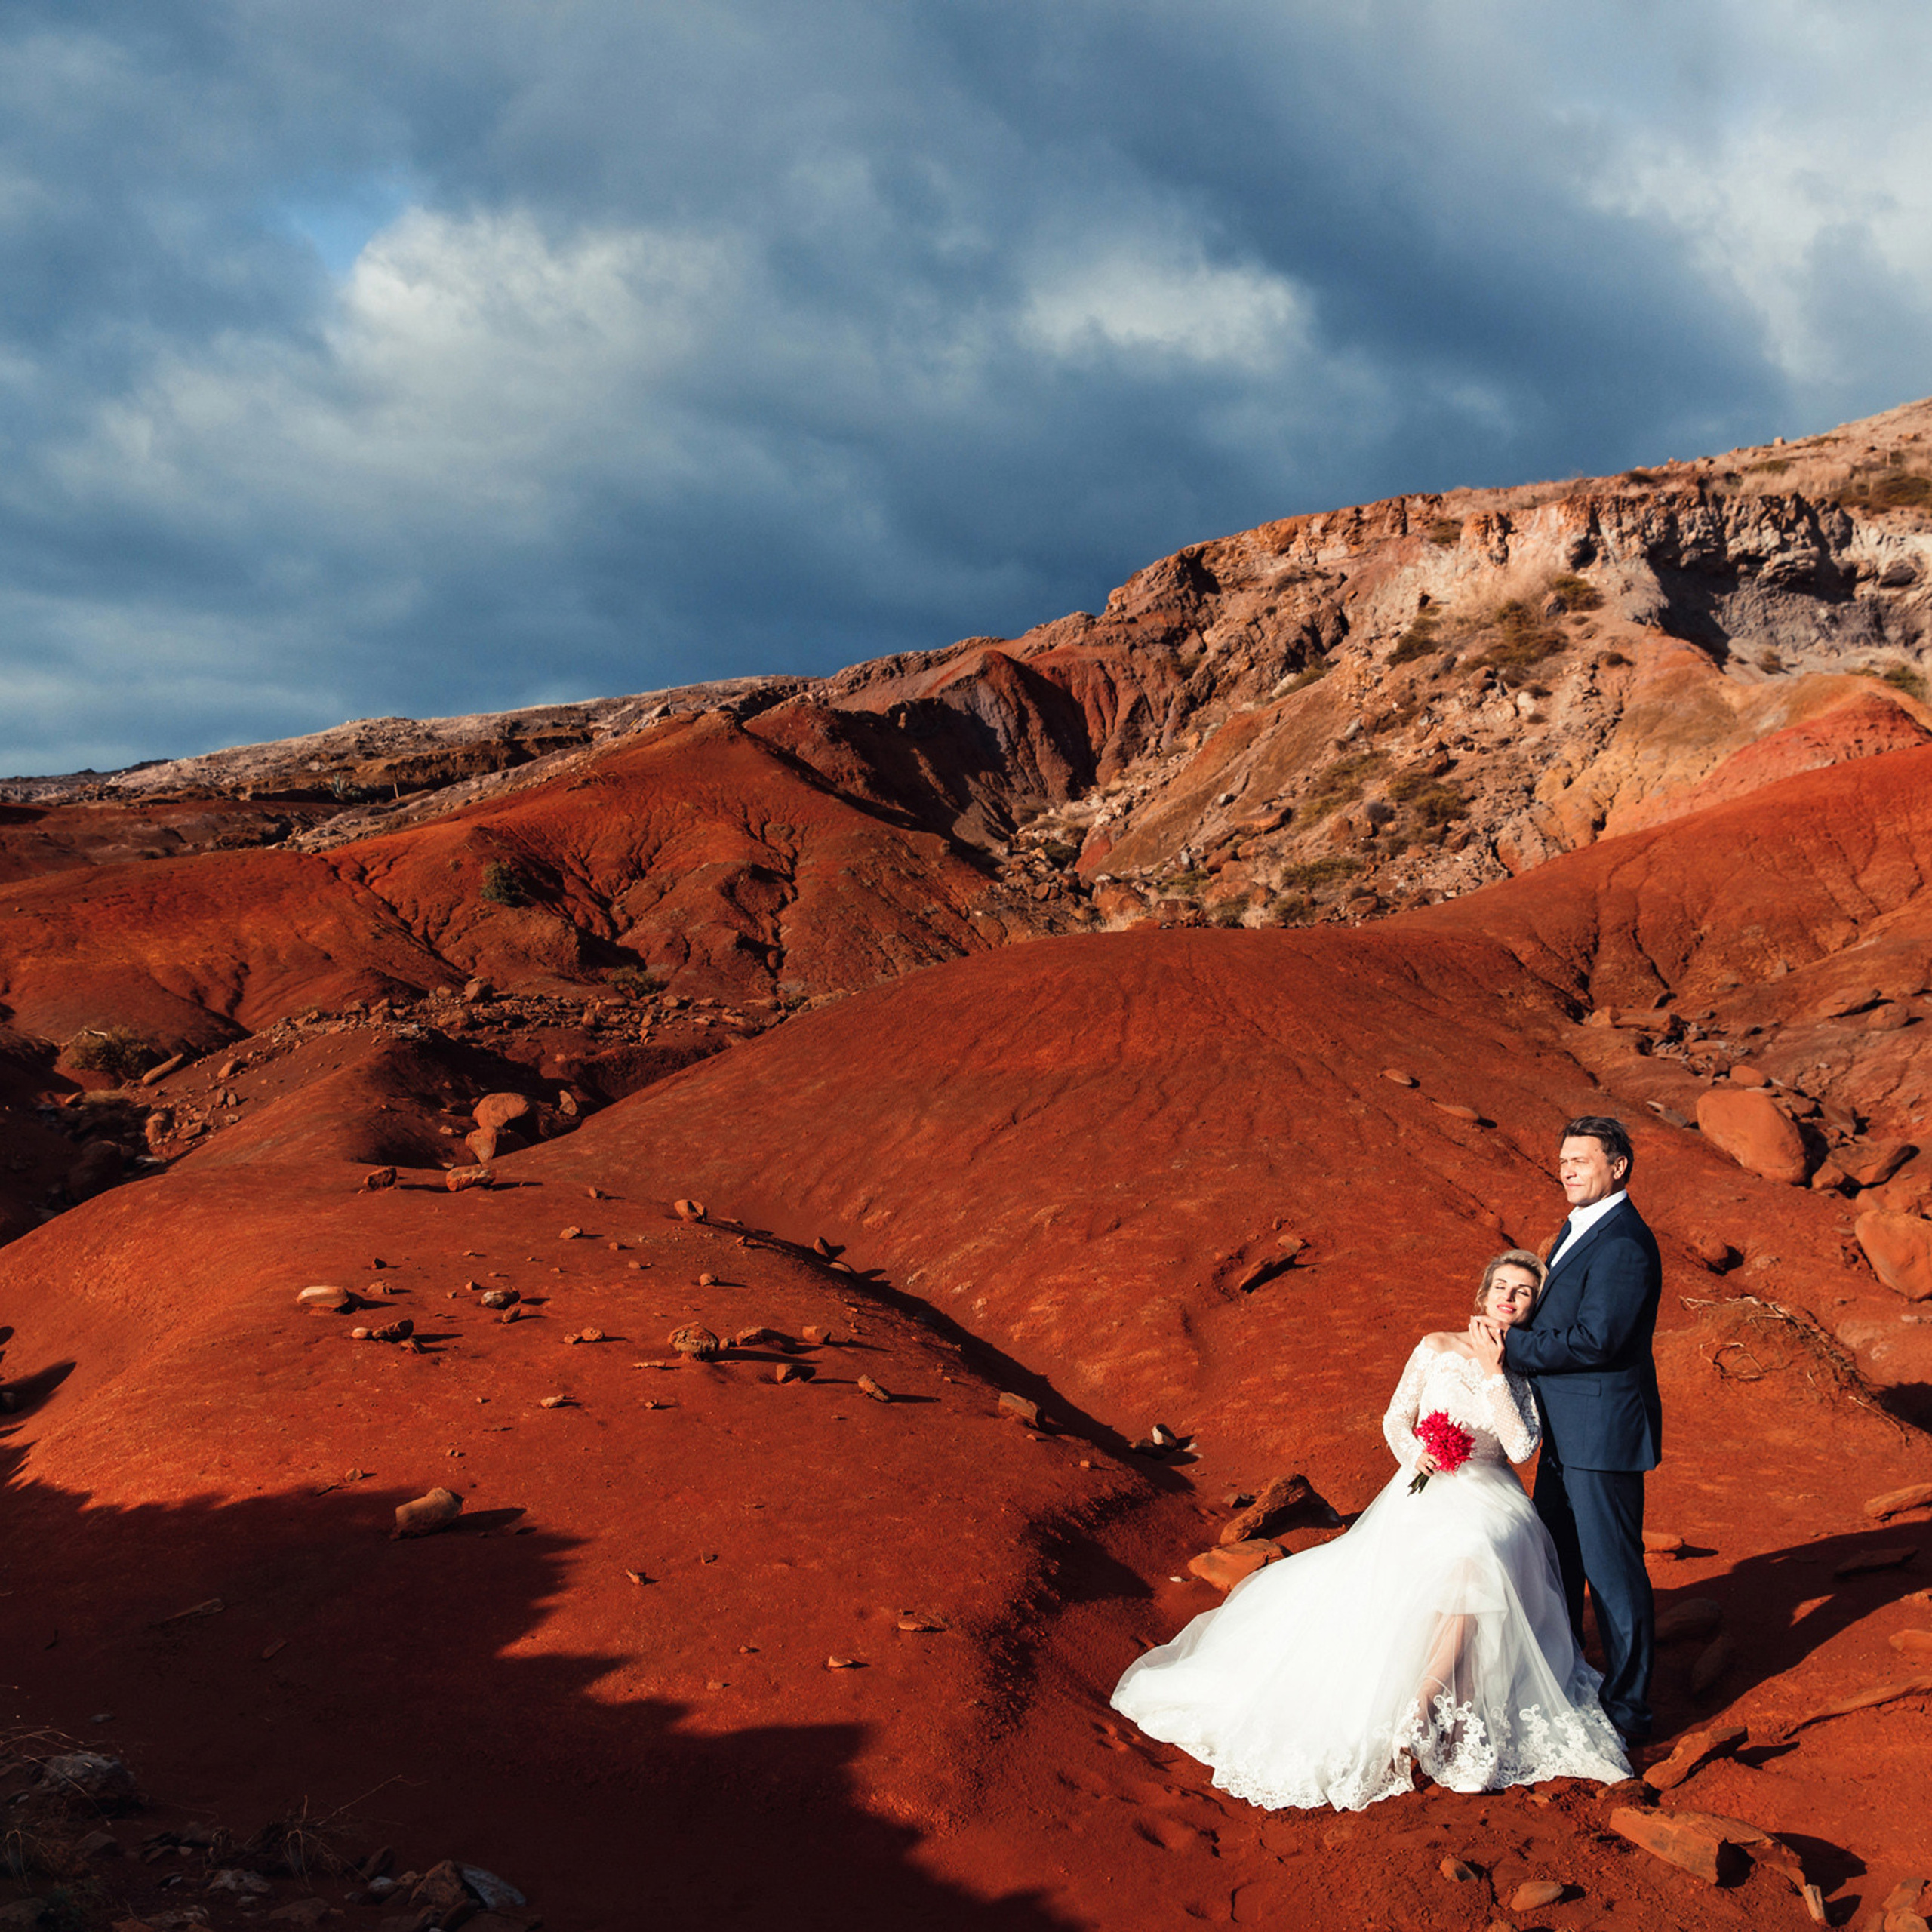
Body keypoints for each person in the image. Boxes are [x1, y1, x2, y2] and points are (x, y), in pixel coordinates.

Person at [1109, 1252, 1630, 1811]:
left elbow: (1522, 1447)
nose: (1509, 1296)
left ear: (1533, 1308)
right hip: (1427, 1488)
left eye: (1523, 1292)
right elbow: (1395, 1419)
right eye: (1501, 1286)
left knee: (1477, 1550)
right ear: (1482, 1295)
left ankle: (1424, 1702)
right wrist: (1417, 1454)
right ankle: (1436, 1708)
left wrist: (1495, 1372)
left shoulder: (1524, 1368)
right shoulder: (1435, 1346)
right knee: (1466, 1562)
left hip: (1491, 1494)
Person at [1475, 1115, 1662, 1746]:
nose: (1568, 1170)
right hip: (1565, 1432)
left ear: (1618, 1166)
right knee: (1559, 1559)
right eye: (1562, 1162)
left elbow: (1596, 1339)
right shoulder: (1582, 1225)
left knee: (1613, 1573)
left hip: (1601, 1433)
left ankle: (1629, 1711)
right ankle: (1568, 1679)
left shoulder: (1624, 1243)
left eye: (1581, 1160)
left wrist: (1512, 1348)